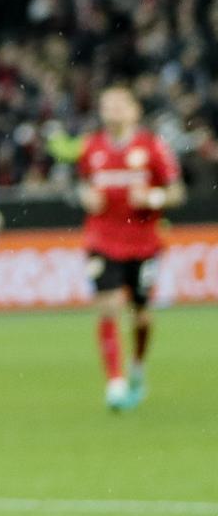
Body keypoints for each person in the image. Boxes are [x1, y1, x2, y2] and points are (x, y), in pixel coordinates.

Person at [77, 86, 184, 411]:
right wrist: (86, 197)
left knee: (140, 316)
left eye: (119, 105)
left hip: (143, 242)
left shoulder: (152, 147)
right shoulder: (92, 148)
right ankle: (115, 382)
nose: (112, 111)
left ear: (134, 111)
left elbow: (176, 193)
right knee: (108, 306)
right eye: (107, 105)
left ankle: (137, 365)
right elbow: (83, 183)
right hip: (102, 239)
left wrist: (152, 198)